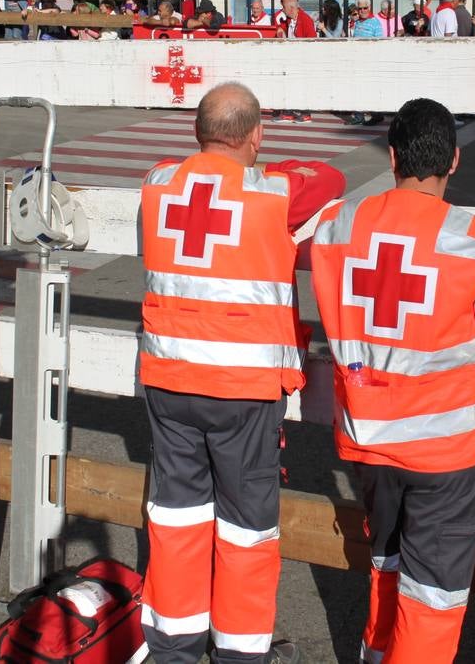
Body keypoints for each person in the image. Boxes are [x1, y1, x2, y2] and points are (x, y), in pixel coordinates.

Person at [310, 98, 475, 664]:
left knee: (386, 559)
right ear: (454, 161)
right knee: (433, 587)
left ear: (391, 157)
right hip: (445, 448)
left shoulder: (337, 223)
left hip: (369, 436)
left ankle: (376, 653)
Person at [138, 82, 345, 664]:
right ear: (256, 136)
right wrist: (254, 161)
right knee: (246, 528)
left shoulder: (159, 182)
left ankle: (173, 650)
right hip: (244, 388)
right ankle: (239, 654)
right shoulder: (274, 192)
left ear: (196, 134)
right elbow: (330, 178)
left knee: (176, 519)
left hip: (168, 379)